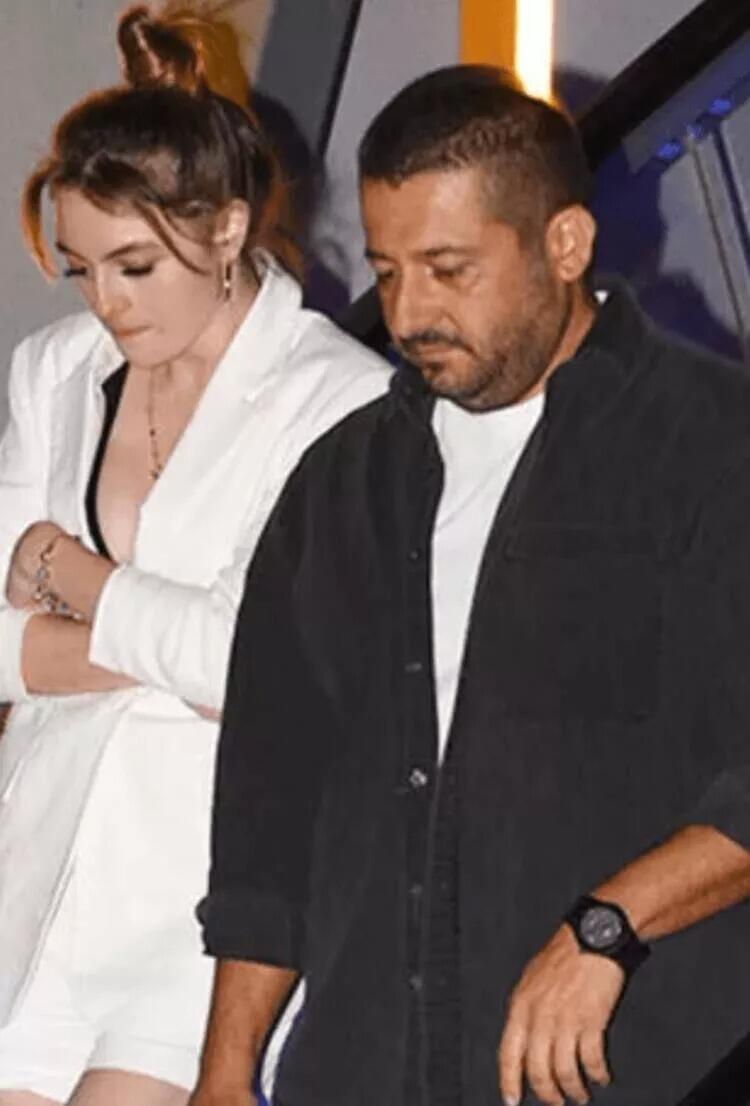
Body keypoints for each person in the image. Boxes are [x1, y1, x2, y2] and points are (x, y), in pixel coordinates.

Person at [192, 66, 750, 1106]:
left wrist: (609, 924)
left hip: (628, 1062)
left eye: (449, 269)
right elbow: (270, 808)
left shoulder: (714, 443)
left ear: (564, 244)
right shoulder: (340, 484)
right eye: (388, 270)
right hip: (362, 1068)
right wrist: (223, 1073)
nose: (409, 313)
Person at [0, 5, 389, 1105]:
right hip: (39, 871)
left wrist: (69, 577)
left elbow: (261, 666)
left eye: (134, 265)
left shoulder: (338, 400)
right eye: (82, 269)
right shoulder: (53, 368)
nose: (106, 303)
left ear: (226, 228)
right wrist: (177, 643)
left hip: (209, 893)